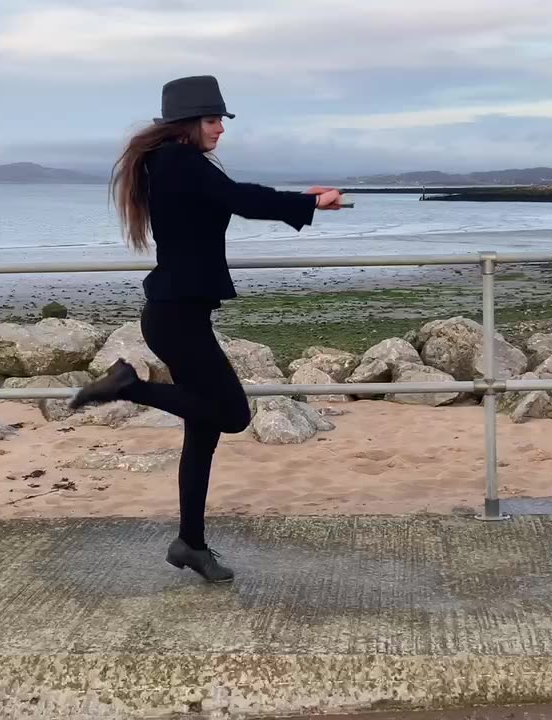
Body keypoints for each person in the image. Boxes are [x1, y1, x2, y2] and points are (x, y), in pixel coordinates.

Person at [69, 75, 343, 583]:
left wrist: (299, 201)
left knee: (203, 432)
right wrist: (308, 205)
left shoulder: (172, 164)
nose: (220, 129)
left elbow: (230, 196)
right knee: (234, 415)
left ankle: (190, 543)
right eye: (213, 119)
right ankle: (131, 387)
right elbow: (240, 198)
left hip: (180, 314)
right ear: (188, 123)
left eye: (220, 120)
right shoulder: (178, 161)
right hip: (175, 318)